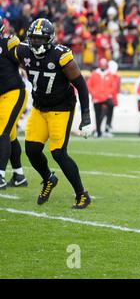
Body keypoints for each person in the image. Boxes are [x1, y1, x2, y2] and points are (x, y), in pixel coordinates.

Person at [14, 18, 92, 209]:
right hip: (40, 108)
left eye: (40, 39)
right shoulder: (22, 51)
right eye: (33, 38)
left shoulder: (61, 55)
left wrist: (86, 116)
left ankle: (82, 194)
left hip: (61, 108)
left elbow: (81, 85)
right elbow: (8, 53)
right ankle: (49, 178)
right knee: (32, 150)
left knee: (58, 153)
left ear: (49, 39)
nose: (35, 43)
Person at [0, 16, 28, 189]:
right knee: (9, 136)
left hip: (14, 92)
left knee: (2, 132)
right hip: (2, 96)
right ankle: (19, 175)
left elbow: (26, 61)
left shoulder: (8, 43)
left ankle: (0, 175)